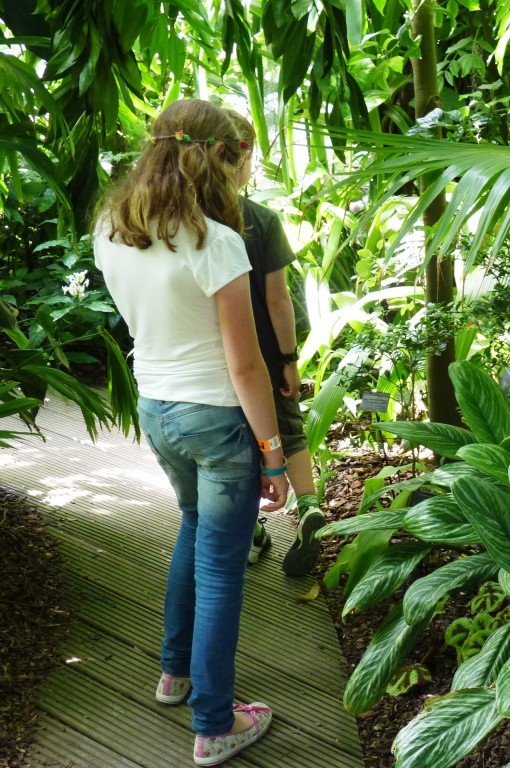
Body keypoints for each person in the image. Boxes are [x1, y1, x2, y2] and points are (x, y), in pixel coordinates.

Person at [93, 99, 287, 767]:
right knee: (221, 570)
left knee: (192, 526)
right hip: (216, 419)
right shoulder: (216, 242)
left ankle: (174, 675)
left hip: (158, 410)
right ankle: (213, 722)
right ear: (218, 159)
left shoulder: (111, 230)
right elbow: (244, 363)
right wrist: (274, 453)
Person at [223, 109, 325, 577]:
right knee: (288, 425)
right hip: (262, 353)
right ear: (243, 160)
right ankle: (308, 509)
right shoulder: (260, 220)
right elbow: (278, 298)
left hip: (215, 357)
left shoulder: (190, 220)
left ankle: (248, 533)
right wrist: (288, 359)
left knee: (239, 438)